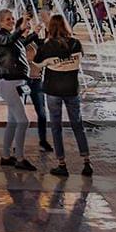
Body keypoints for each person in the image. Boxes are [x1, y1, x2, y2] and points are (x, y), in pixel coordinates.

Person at [36, 13, 93, 177]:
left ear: (51, 28)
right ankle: (86, 162)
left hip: (53, 90)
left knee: (56, 127)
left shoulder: (48, 46)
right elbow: (79, 58)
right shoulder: (76, 44)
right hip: (71, 90)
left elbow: (37, 64)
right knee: (78, 125)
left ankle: (62, 164)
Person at [0, 8, 35, 171]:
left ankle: (6, 156)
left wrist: (34, 33)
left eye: (12, 18)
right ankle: (19, 158)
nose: (11, 21)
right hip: (9, 82)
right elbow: (10, 39)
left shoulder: (11, 38)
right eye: (7, 19)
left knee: (12, 121)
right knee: (23, 121)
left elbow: (19, 42)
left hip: (18, 82)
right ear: (0, 22)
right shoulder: (1, 37)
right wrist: (20, 28)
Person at [26, 10, 53, 153]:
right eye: (25, 24)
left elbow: (47, 44)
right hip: (22, 81)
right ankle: (16, 143)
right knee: (19, 116)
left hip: (36, 81)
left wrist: (48, 24)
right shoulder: (16, 42)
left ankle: (43, 141)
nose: (27, 26)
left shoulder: (34, 41)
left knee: (42, 113)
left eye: (28, 24)